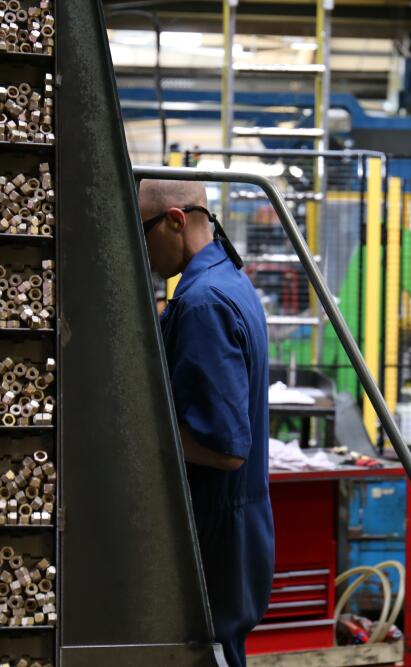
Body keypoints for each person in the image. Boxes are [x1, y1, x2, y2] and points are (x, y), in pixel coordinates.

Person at [139, 179, 273, 667]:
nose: (141, 250)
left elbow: (225, 448)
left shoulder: (204, 303)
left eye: (142, 232)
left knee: (207, 655)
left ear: (175, 220)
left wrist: (138, 432)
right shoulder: (226, 281)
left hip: (217, 528)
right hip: (235, 522)